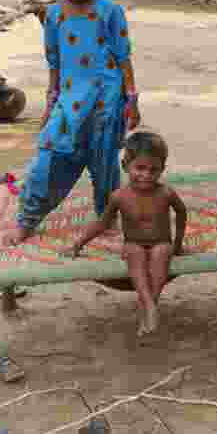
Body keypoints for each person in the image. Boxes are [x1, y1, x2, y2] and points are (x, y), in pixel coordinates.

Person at [9, 0, 141, 245]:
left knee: (104, 166)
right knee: (47, 160)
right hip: (69, 103)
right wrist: (50, 103)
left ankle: (106, 221)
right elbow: (54, 62)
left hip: (106, 101)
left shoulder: (110, 12)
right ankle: (27, 220)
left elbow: (123, 58)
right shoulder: (53, 16)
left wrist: (132, 100)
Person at [70, 132, 186, 336]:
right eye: (140, 168)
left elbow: (182, 212)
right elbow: (102, 224)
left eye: (154, 169)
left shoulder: (166, 192)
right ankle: (150, 306)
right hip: (134, 243)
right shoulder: (119, 196)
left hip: (162, 243)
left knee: (161, 253)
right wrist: (80, 243)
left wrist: (178, 243)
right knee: (135, 253)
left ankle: (149, 309)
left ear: (162, 169)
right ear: (125, 166)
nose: (147, 175)